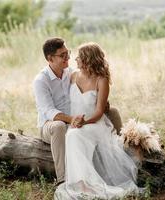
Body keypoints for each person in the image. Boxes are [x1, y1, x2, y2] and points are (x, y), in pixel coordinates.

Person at [54, 42, 141, 199]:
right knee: (73, 135)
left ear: (87, 59)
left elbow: (100, 111)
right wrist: (72, 121)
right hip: (76, 125)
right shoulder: (73, 76)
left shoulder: (102, 80)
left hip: (94, 124)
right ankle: (82, 183)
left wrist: (83, 122)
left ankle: (86, 184)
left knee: (73, 135)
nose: (76, 60)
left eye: (79, 57)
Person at [33, 38, 123, 186]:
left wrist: (101, 99)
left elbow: (91, 80)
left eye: (67, 53)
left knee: (113, 112)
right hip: (50, 125)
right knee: (59, 126)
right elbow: (48, 111)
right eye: (63, 55)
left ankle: (121, 152)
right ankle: (62, 178)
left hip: (76, 120)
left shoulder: (71, 73)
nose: (68, 57)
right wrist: (72, 120)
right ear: (50, 59)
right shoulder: (41, 80)